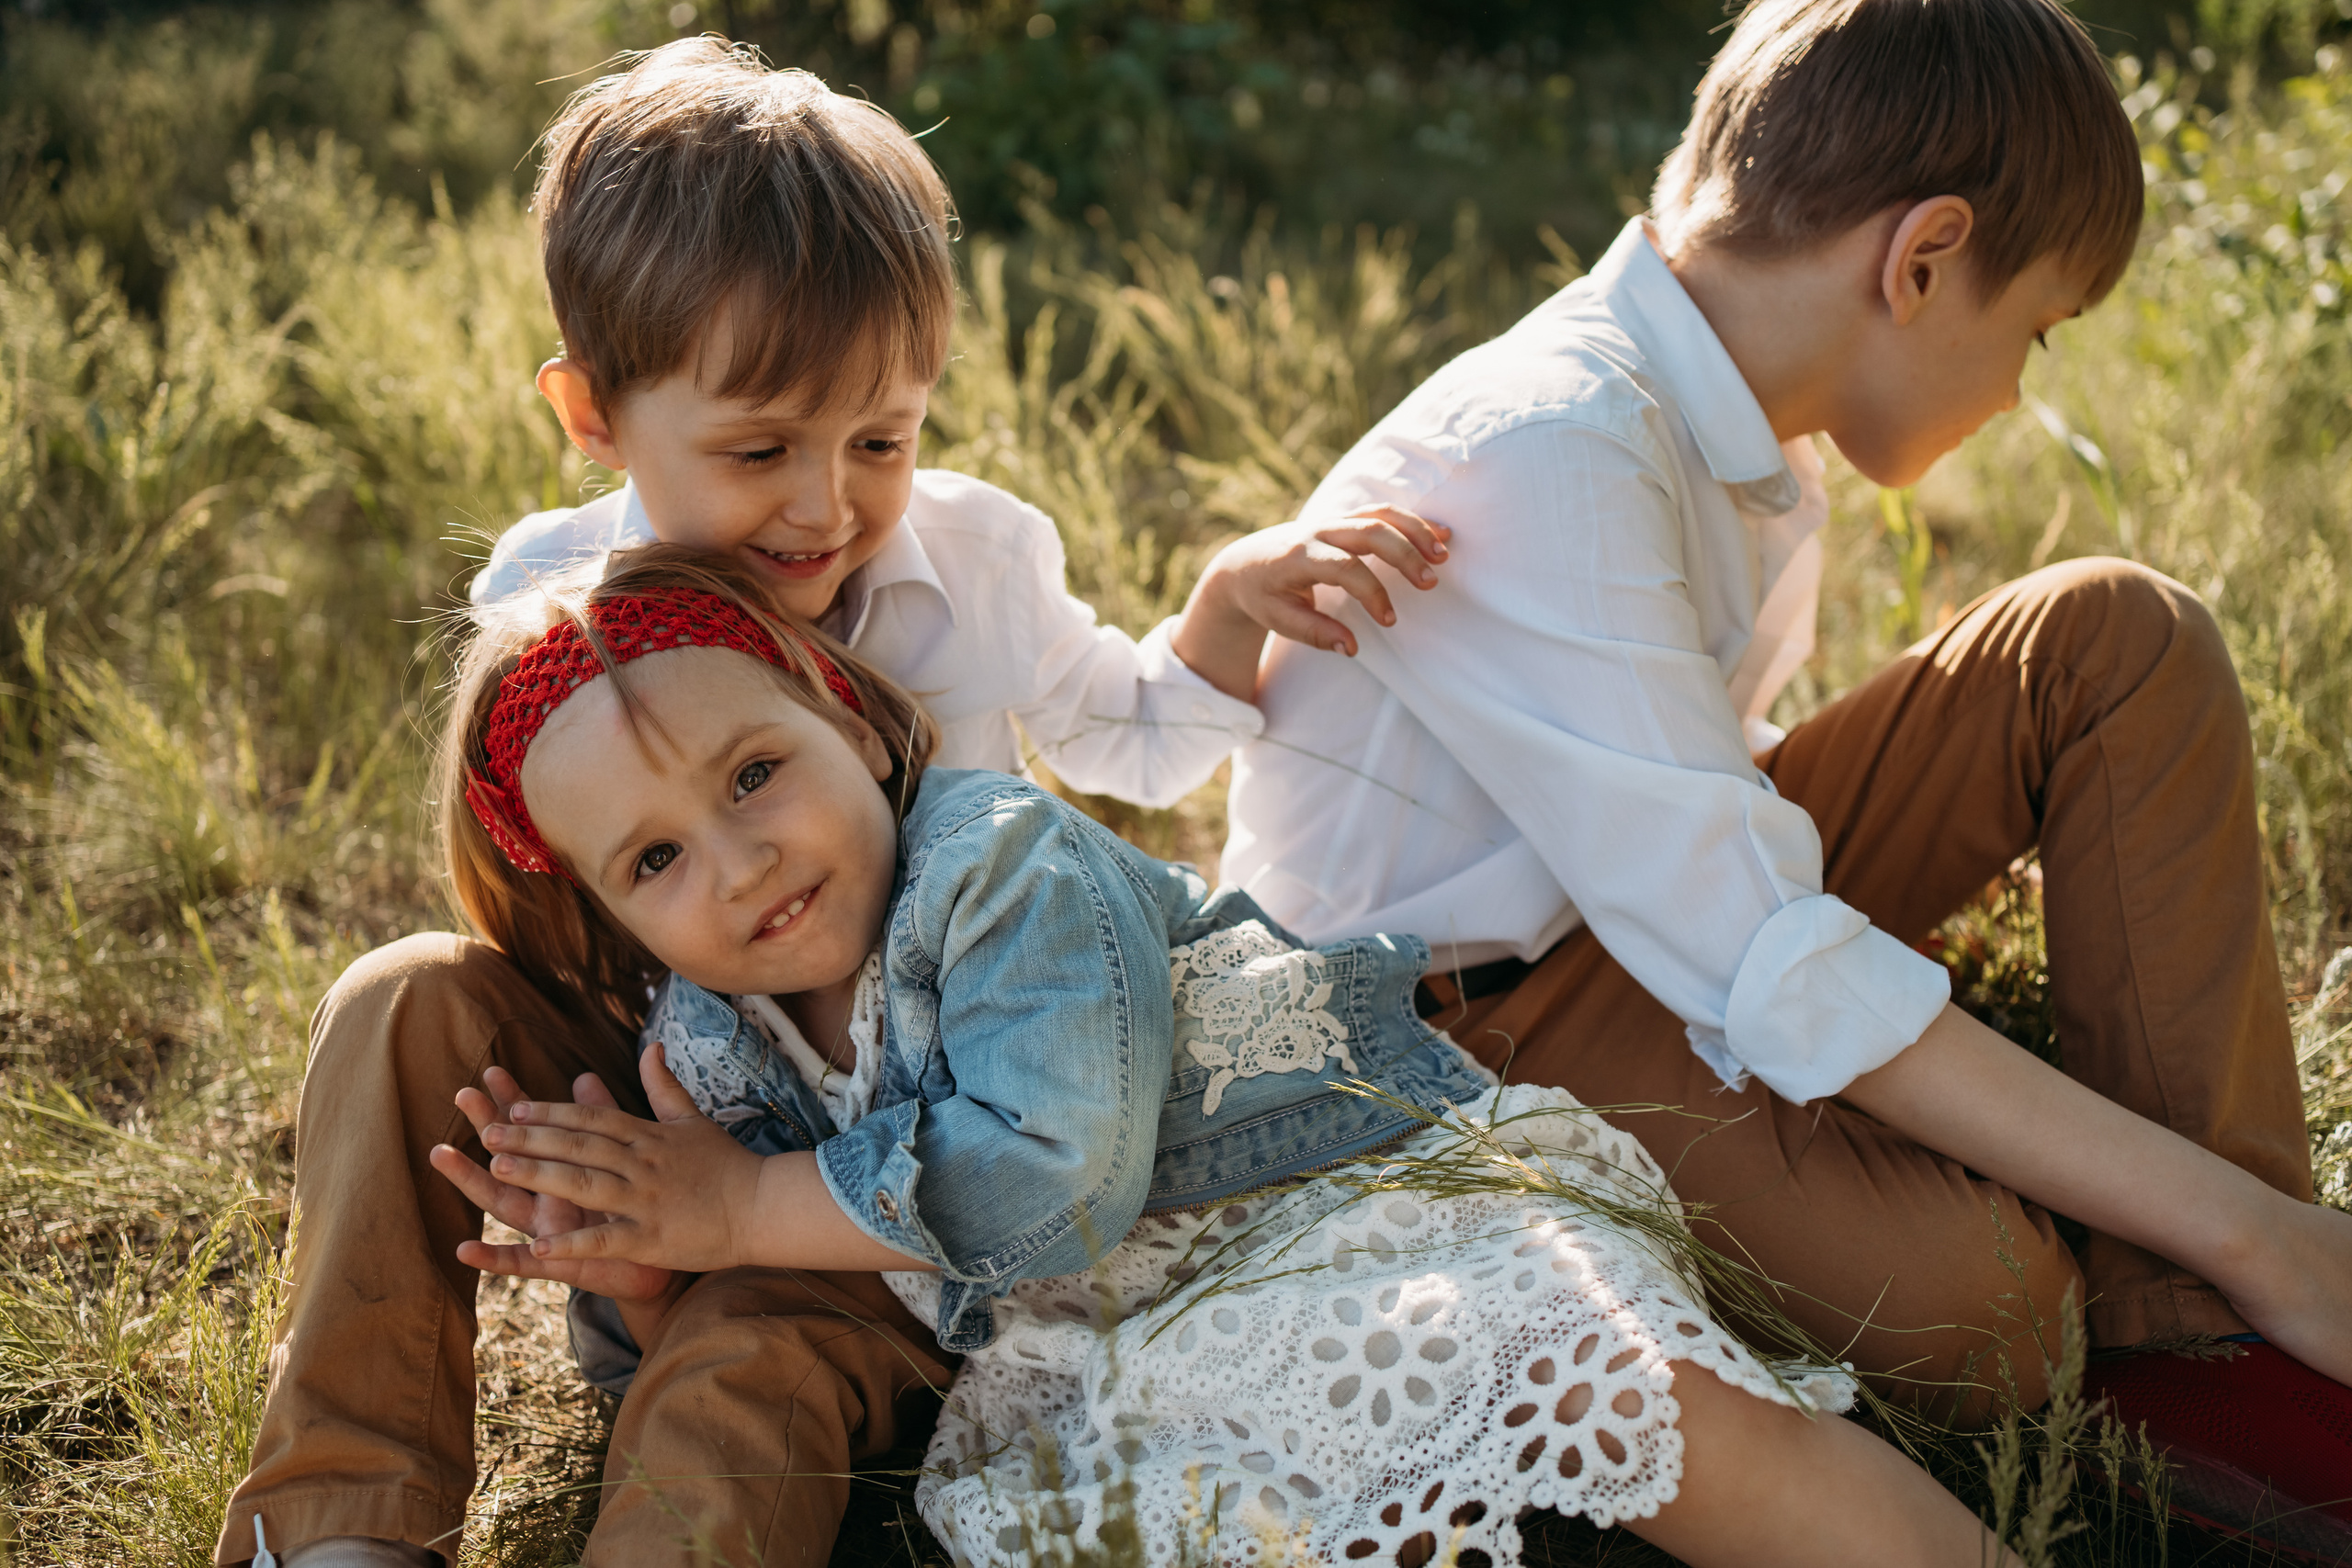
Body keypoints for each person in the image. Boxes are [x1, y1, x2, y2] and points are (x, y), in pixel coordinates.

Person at [216, 40, 1442, 1568]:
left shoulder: (972, 562)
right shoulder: (544, 600)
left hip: (917, 1140)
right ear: (594, 414)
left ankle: (716, 1334)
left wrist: (1215, 618)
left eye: (881, 440)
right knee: (402, 1001)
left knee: (741, 1363)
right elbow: (551, 890)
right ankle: (345, 1522)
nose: (824, 506)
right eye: (756, 450)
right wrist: (624, 1148)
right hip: (689, 1043)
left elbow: (1126, 732)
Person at [1209, 0, 2352, 1540]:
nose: (2022, 386)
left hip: (1633, 909)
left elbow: (1708, 805)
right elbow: (1760, 955)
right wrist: (2266, 1225)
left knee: (2116, 637)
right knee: (1984, 1311)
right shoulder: (1552, 442)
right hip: (1460, 1023)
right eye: (2039, 330)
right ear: (1924, 257)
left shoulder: (1742, 422)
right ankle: (2251, 1254)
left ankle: (2193, 1341)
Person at [428, 545, 2025, 1568]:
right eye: (654, 862)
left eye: (755, 770)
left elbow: (1055, 1173)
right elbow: (681, 1326)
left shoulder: (990, 863)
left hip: (1334, 1197)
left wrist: (733, 1214)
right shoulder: (708, 1036)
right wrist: (643, 1278)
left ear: (848, 713)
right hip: (1107, 1350)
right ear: (617, 917)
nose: (738, 861)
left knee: (1603, 1376)